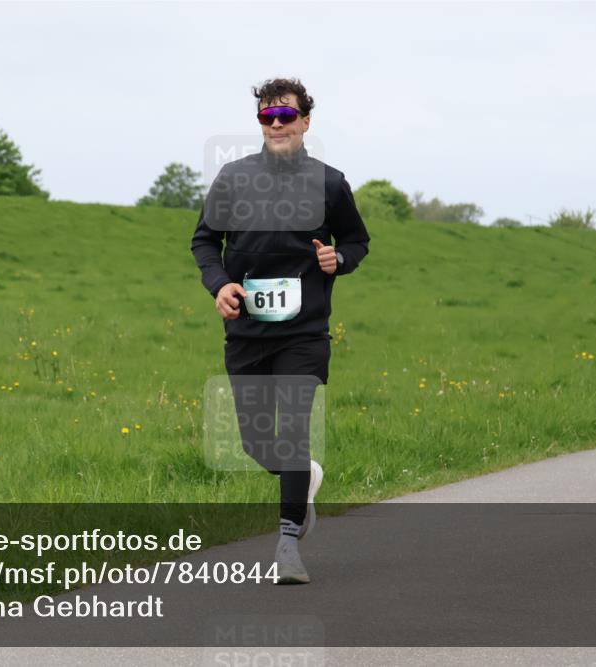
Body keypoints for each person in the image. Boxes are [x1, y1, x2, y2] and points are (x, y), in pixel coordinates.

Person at [191, 78, 370, 584]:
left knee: (292, 430)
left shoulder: (329, 182)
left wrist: (341, 259)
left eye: (285, 116)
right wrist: (220, 285)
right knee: (254, 442)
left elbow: (357, 240)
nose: (275, 124)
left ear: (306, 122)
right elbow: (205, 242)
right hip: (246, 333)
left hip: (303, 332)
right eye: (267, 117)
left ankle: (288, 543)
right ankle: (304, 479)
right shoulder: (232, 178)